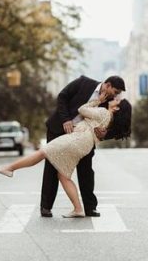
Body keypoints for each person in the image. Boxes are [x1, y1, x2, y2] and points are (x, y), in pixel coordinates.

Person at [0, 92, 131, 218]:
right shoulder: (109, 120)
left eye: (118, 100)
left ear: (117, 108)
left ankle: (10, 168)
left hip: (77, 139)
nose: (114, 98)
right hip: (84, 144)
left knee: (43, 152)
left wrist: (96, 100)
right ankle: (78, 209)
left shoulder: (103, 113)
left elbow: (82, 110)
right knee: (63, 176)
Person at [41, 75, 129, 218]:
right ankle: (46, 207)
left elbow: (116, 122)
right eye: (116, 90)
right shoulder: (83, 82)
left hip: (84, 137)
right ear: (107, 85)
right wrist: (66, 119)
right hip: (59, 129)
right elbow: (62, 96)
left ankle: (90, 208)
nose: (116, 95)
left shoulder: (110, 103)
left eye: (118, 93)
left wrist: (105, 133)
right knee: (51, 166)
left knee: (86, 169)